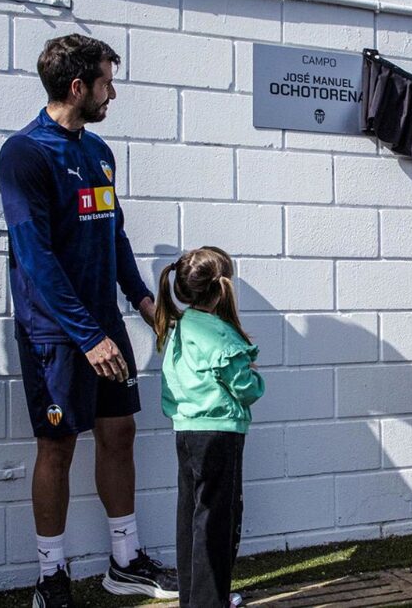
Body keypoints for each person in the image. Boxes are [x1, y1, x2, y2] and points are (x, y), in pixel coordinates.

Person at [0, 34, 178, 607]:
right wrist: (88, 335)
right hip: (55, 333)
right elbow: (35, 257)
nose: (112, 94)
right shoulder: (24, 154)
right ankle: (51, 577)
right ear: (78, 87)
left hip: (103, 326)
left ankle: (125, 562)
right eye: (106, 83)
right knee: (57, 447)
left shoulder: (98, 150)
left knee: (120, 433)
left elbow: (113, 234)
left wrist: (143, 301)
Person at [155, 247, 264, 608]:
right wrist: (256, 382)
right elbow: (245, 388)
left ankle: (196, 599)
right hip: (220, 434)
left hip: (186, 432)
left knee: (191, 516)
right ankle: (210, 602)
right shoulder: (221, 334)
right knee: (217, 520)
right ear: (222, 288)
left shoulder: (178, 327)